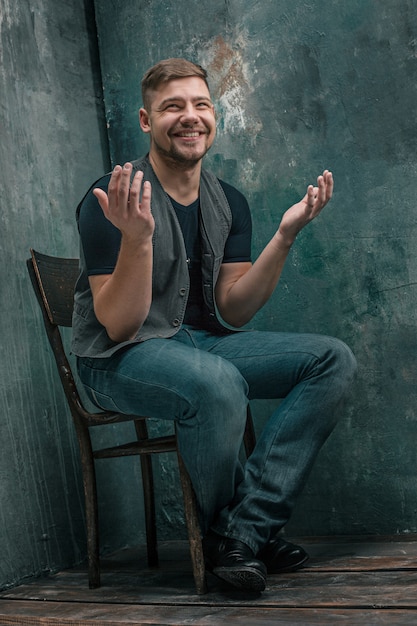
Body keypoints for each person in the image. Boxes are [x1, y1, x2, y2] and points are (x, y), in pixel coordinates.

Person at [72, 58, 357, 593]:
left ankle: (242, 532)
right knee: (218, 384)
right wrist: (135, 239)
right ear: (144, 119)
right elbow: (117, 324)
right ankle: (244, 540)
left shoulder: (229, 202)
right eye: (172, 106)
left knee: (331, 359)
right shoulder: (112, 198)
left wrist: (286, 235)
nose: (190, 116)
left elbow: (235, 309)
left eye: (201, 104)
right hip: (120, 358)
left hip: (200, 345)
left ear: (214, 116)